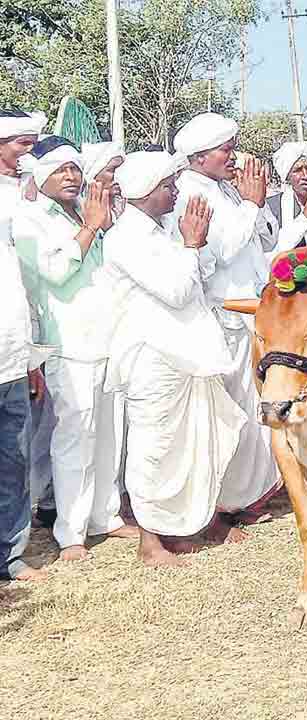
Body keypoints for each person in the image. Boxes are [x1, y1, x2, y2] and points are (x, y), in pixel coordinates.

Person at [102, 151, 246, 567]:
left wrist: (191, 245)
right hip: (153, 358)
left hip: (187, 355)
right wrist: (190, 243)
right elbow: (177, 292)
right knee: (156, 447)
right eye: (169, 186)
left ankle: (187, 528)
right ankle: (151, 543)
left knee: (195, 442)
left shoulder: (159, 230)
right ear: (147, 191)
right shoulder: (125, 237)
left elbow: (196, 279)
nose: (176, 192)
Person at [11, 137, 134, 562]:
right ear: (42, 176)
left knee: (108, 436)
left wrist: (97, 223)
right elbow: (56, 271)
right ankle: (71, 533)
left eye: (75, 169)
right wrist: (91, 228)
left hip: (108, 338)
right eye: (62, 170)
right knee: (74, 438)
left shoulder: (86, 210)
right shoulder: (28, 220)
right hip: (69, 344)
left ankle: (107, 517)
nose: (71, 177)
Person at [172, 112, 280, 542]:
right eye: (225, 150)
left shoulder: (224, 190)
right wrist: (251, 203)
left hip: (252, 314)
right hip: (224, 317)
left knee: (253, 410)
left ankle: (248, 496)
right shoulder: (189, 195)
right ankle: (219, 506)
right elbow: (220, 252)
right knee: (229, 414)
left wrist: (256, 199)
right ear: (199, 157)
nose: (232, 157)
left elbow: (267, 241)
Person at [1, 112, 48, 581]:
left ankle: (10, 556)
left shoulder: (25, 201)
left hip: (13, 354)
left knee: (13, 462)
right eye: (21, 144)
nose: (28, 155)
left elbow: (28, 288)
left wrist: (31, 357)